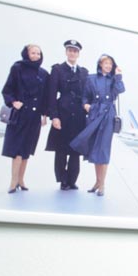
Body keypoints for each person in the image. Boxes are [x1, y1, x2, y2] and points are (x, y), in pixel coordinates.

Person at [70, 54, 125, 196]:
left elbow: (120, 90)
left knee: (104, 150)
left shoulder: (114, 80)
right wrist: (86, 105)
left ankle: (102, 185)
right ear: (100, 64)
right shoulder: (91, 78)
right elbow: (85, 96)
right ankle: (97, 181)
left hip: (108, 116)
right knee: (95, 149)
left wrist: (118, 75)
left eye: (110, 64)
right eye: (105, 63)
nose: (108, 66)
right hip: (95, 114)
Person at [1, 44, 49, 193]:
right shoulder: (17, 68)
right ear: (26, 54)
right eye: (33, 53)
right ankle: (13, 181)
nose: (36, 56)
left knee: (26, 150)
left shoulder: (44, 73)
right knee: (17, 150)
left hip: (34, 117)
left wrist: (44, 115)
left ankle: (21, 179)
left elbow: (46, 97)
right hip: (20, 115)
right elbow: (7, 89)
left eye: (38, 53)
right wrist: (13, 102)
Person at [45, 40, 89, 190]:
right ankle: (63, 180)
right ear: (66, 52)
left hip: (78, 115)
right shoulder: (57, 69)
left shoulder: (84, 72)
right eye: (70, 50)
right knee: (61, 150)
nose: (72, 53)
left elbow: (87, 94)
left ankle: (72, 180)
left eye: (75, 51)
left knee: (76, 150)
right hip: (63, 113)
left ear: (78, 54)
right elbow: (51, 95)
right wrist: (54, 116)